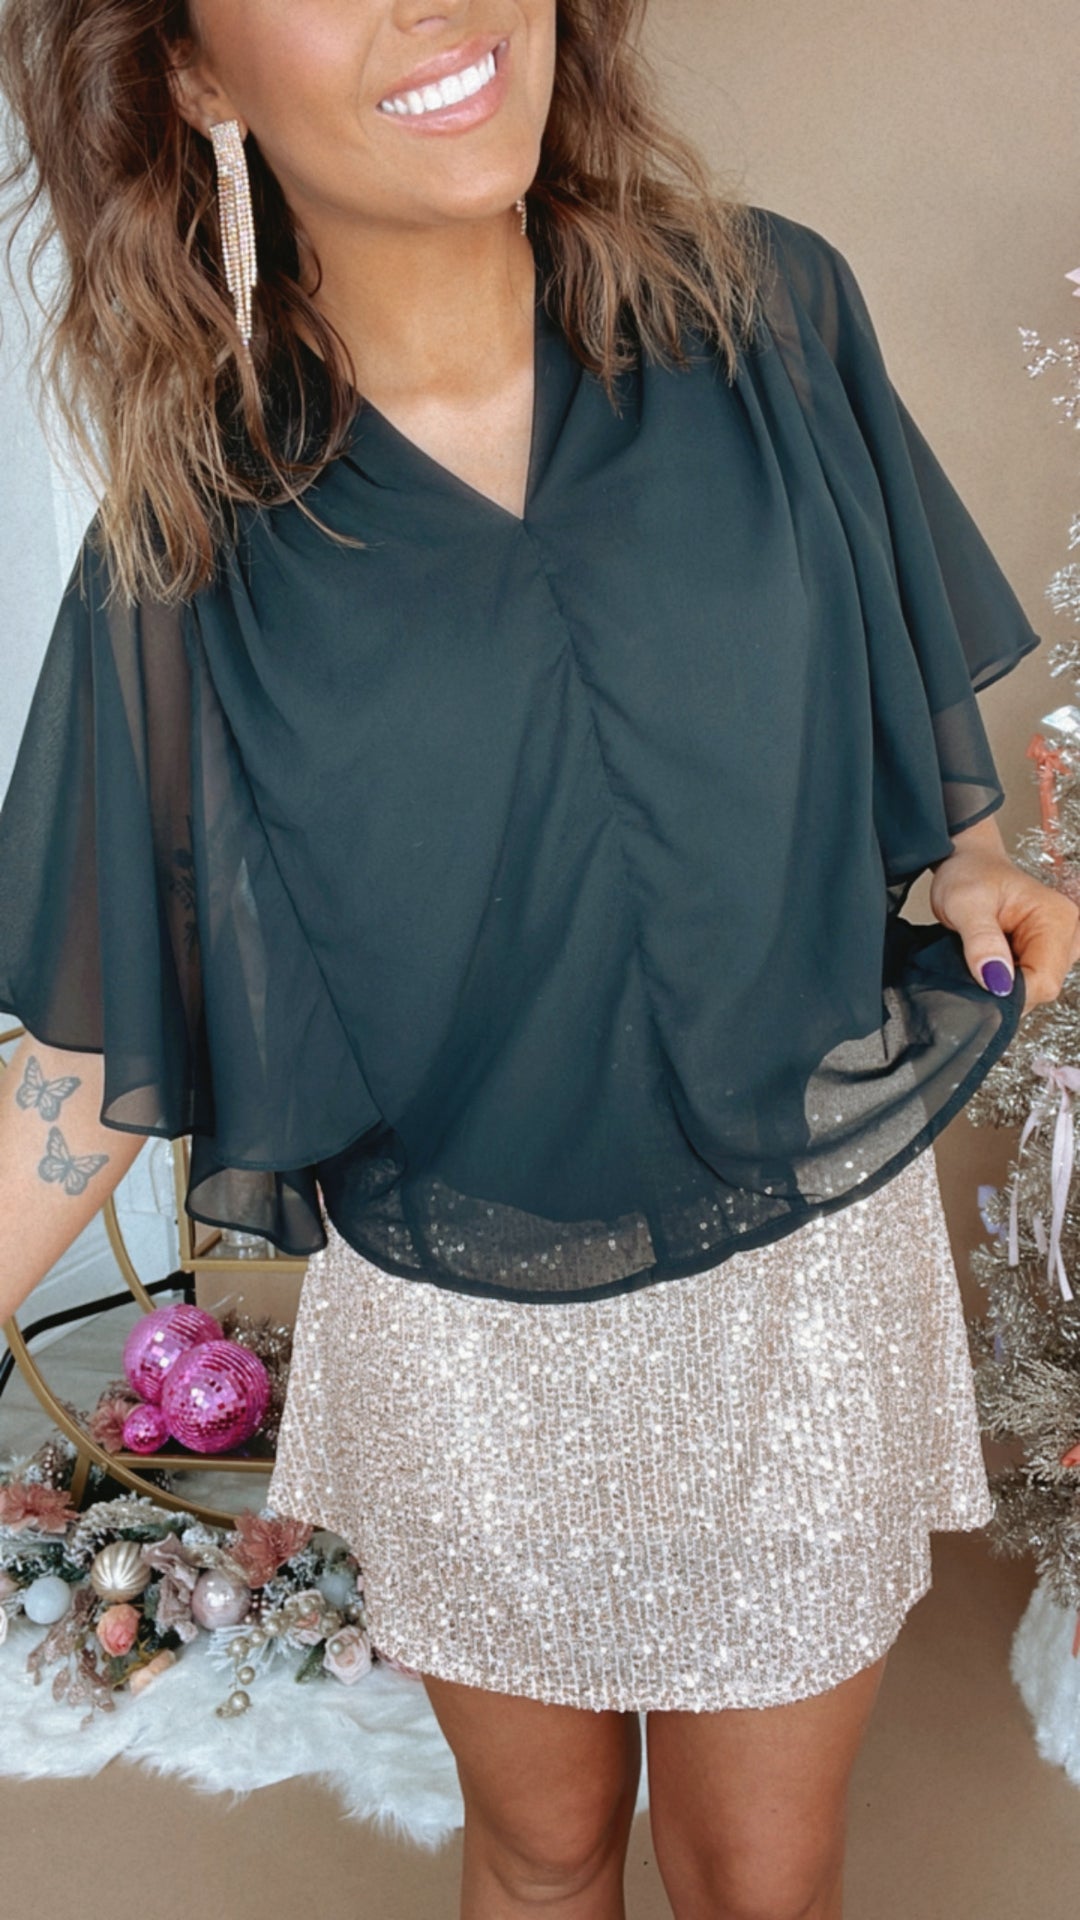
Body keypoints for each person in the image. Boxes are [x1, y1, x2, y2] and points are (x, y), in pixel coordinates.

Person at [0, 2, 1076, 1916]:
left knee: (761, 1882)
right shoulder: (194, 533)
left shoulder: (771, 317)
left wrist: (976, 864)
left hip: (798, 1288)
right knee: (546, 1850)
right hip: (469, 1327)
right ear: (191, 71)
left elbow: (895, 702)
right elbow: (88, 1050)